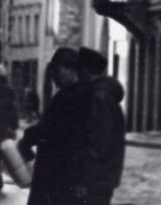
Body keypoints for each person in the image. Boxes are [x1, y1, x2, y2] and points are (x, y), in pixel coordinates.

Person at [19, 47, 85, 205]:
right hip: (55, 173)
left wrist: (29, 137)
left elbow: (55, 130)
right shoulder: (65, 95)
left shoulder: (76, 98)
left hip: (61, 174)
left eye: (57, 70)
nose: (54, 76)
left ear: (71, 70)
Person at [71, 47, 126, 205]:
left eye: (79, 71)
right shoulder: (103, 95)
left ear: (86, 71)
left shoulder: (98, 98)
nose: (77, 75)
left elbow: (98, 144)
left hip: (95, 181)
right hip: (101, 179)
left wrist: (84, 180)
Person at [0, 65, 18, 195]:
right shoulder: (9, 90)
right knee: (1, 153)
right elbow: (13, 109)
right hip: (3, 128)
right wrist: (14, 126)